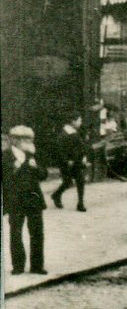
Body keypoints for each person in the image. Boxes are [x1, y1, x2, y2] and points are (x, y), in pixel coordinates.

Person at [4, 126, 49, 275]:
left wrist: (35, 168)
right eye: (26, 139)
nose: (30, 142)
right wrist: (15, 168)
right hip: (15, 200)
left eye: (31, 139)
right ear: (15, 140)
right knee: (15, 233)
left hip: (34, 199)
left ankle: (37, 265)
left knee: (37, 233)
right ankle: (18, 266)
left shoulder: (33, 155)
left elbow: (44, 175)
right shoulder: (5, 156)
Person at [51, 115, 87, 212]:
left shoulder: (75, 133)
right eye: (79, 121)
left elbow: (81, 146)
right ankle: (56, 195)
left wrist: (83, 156)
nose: (80, 123)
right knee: (68, 182)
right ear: (72, 121)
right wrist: (66, 160)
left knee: (81, 180)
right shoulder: (63, 134)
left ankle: (80, 203)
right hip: (66, 163)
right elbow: (60, 150)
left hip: (76, 161)